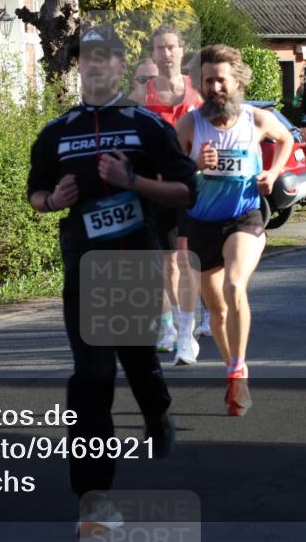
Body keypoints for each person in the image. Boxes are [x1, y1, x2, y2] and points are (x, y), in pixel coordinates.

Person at [28, 25, 197, 537]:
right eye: (86, 58)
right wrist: (53, 201)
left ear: (121, 67)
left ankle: (157, 410)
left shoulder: (145, 126)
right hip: (85, 268)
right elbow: (34, 194)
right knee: (92, 378)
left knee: (139, 361)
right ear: (78, 66)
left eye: (106, 58)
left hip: (136, 264)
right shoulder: (56, 133)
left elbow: (186, 190)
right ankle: (93, 498)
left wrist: (134, 183)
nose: (96, 66)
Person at [175, 44, 295, 416]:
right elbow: (172, 174)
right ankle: (233, 372)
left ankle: (238, 366)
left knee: (234, 284)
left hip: (244, 217)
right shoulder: (190, 124)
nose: (214, 88)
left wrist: (272, 174)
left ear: (238, 81)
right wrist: (195, 163)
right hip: (201, 223)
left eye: (220, 81)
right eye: (207, 81)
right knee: (217, 311)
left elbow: (287, 138)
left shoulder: (256, 120)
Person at [129, 26, 204, 364]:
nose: (166, 53)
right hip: (157, 187)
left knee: (188, 259)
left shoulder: (196, 94)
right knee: (164, 262)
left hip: (191, 186)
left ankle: (189, 324)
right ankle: (171, 326)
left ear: (181, 50)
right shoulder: (140, 95)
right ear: (154, 52)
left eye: (171, 47)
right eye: (160, 48)